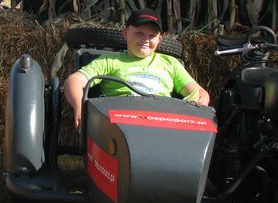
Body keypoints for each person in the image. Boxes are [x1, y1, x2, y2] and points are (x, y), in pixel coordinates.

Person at [64, 9, 210, 129]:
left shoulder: (170, 63)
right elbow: (74, 81)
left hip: (162, 121)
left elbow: (199, 93)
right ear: (126, 33)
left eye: (152, 35)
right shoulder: (109, 61)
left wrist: (199, 104)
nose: (145, 39)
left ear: (159, 39)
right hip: (121, 122)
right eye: (139, 33)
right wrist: (80, 108)